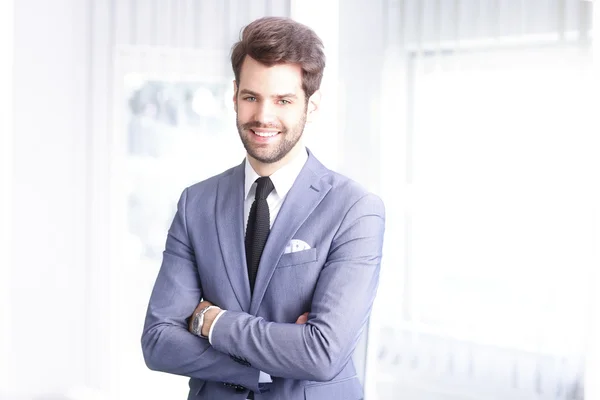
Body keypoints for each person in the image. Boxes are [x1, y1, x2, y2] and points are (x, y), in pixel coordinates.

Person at [141, 16, 385, 400]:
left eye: (283, 100)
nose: (263, 117)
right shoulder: (196, 203)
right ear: (235, 94)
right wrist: (276, 359)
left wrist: (209, 321)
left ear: (312, 104)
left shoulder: (354, 209)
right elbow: (158, 341)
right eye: (251, 97)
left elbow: (322, 353)